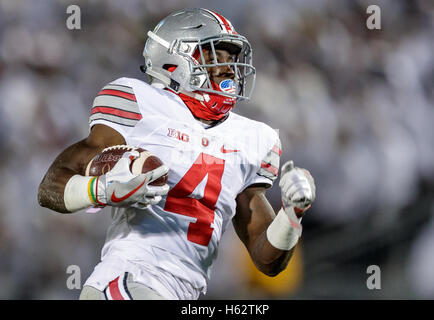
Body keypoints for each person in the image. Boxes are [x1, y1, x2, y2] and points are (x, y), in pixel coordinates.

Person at [37, 8, 316, 300]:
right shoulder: (141, 103)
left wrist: (291, 215)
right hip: (130, 276)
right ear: (172, 62)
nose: (228, 68)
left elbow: (267, 261)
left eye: (231, 58)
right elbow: (51, 186)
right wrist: (101, 189)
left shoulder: (253, 138)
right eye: (213, 55)